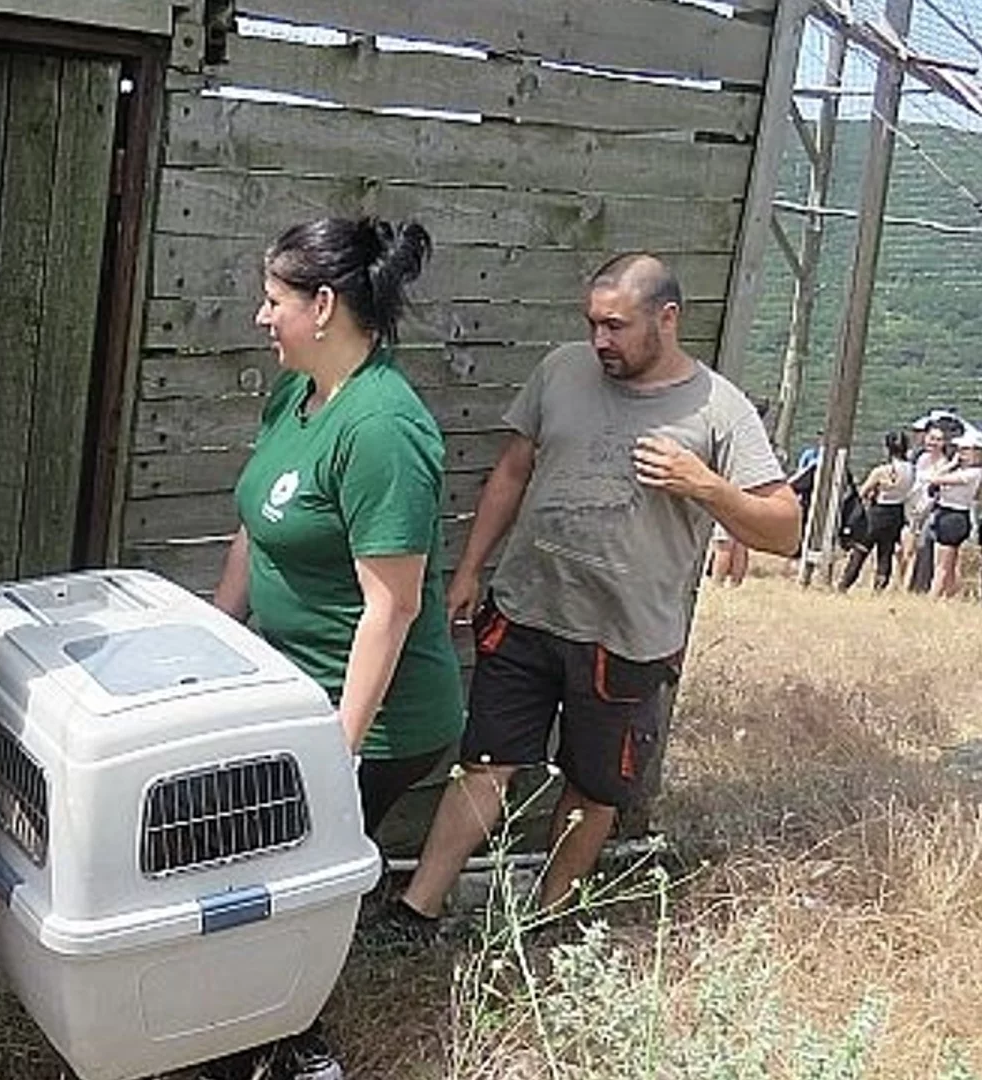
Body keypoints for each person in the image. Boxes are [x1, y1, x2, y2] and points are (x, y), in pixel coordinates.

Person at [387, 253, 799, 936]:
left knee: (594, 786)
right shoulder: (561, 369)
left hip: (626, 639)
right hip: (526, 611)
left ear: (668, 319)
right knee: (484, 763)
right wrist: (469, 570)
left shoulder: (718, 409)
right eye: (592, 324)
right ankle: (415, 909)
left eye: (616, 325)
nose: (600, 341)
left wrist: (706, 487)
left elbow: (784, 531)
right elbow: (514, 471)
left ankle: (544, 924)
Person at [203, 216, 464, 1080]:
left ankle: (293, 1047)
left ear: (323, 305)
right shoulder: (296, 395)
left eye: (273, 300)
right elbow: (256, 525)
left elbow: (391, 609)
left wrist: (334, 751)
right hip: (293, 688)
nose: (259, 316)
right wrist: (213, 633)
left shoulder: (384, 430)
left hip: (377, 717)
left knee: (286, 874)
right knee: (255, 859)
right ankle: (249, 1028)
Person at [839, 431, 914, 591]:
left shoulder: (882, 470)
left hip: (878, 512)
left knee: (861, 550)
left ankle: (844, 584)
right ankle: (879, 587)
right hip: (897, 512)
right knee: (885, 552)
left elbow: (863, 491)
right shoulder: (911, 469)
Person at [920, 430, 982, 599]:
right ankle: (950, 595)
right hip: (947, 515)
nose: (960, 453)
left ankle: (932, 598)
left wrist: (950, 464)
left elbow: (933, 478)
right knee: (950, 563)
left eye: (965, 450)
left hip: (954, 517)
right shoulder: (961, 470)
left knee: (941, 565)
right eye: (959, 449)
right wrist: (954, 464)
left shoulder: (972, 473)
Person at [903, 424, 951, 594]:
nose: (934, 443)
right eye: (931, 438)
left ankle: (919, 586)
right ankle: (906, 584)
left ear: (944, 443)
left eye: (938, 440)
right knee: (907, 549)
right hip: (912, 507)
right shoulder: (921, 458)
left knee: (922, 548)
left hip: (930, 510)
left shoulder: (945, 464)